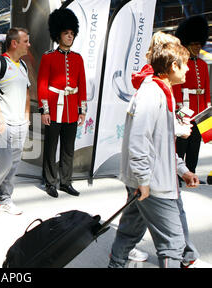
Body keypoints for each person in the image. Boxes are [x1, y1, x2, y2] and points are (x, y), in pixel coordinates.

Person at [108, 33, 200, 268]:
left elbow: (162, 144)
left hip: (149, 179)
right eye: (185, 65)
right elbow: (138, 141)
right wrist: (143, 179)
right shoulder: (152, 93)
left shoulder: (158, 89)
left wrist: (182, 170)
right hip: (154, 183)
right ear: (172, 66)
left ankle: (116, 264)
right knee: (173, 245)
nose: (188, 70)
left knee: (130, 231)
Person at [0, 27, 31, 216]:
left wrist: (26, 117)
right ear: (14, 43)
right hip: (3, 122)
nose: (29, 44)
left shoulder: (23, 66)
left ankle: (4, 199)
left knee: (14, 164)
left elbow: (27, 93)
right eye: (26, 41)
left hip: (20, 123)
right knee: (5, 161)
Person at [37, 8, 86, 198]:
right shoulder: (48, 57)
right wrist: (44, 110)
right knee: (50, 147)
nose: (70, 37)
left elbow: (81, 85)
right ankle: (50, 181)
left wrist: (81, 110)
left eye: (72, 33)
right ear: (59, 35)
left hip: (72, 109)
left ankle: (66, 182)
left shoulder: (78, 58)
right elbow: (42, 85)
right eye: (66, 33)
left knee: (68, 149)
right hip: (54, 108)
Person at [173, 16, 211, 184]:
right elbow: (176, 87)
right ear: (187, 44)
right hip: (184, 108)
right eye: (194, 44)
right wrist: (179, 110)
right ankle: (179, 175)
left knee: (195, 144)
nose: (198, 47)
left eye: (199, 44)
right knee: (182, 143)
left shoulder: (202, 65)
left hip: (199, 110)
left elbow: (206, 89)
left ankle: (192, 173)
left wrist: (207, 108)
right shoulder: (180, 63)